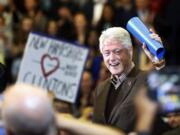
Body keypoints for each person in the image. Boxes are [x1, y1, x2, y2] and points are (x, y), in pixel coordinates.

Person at [93, 27, 165, 133]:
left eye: (117, 52)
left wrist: (159, 62)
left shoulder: (147, 80)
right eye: (107, 53)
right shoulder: (100, 89)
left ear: (130, 51)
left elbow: (168, 95)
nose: (112, 58)